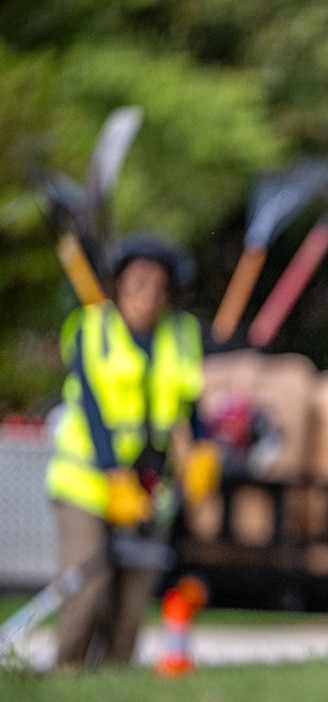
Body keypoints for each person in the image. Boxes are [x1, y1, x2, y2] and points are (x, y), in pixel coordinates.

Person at [45, 233, 218, 669]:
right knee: (87, 591)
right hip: (86, 482)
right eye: (139, 282)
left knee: (130, 607)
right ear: (119, 283)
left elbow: (189, 404)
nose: (148, 294)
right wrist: (113, 475)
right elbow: (93, 410)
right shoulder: (92, 328)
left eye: (159, 285)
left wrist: (199, 452)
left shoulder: (181, 333)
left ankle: (114, 684)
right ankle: (66, 679)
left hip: (149, 489)